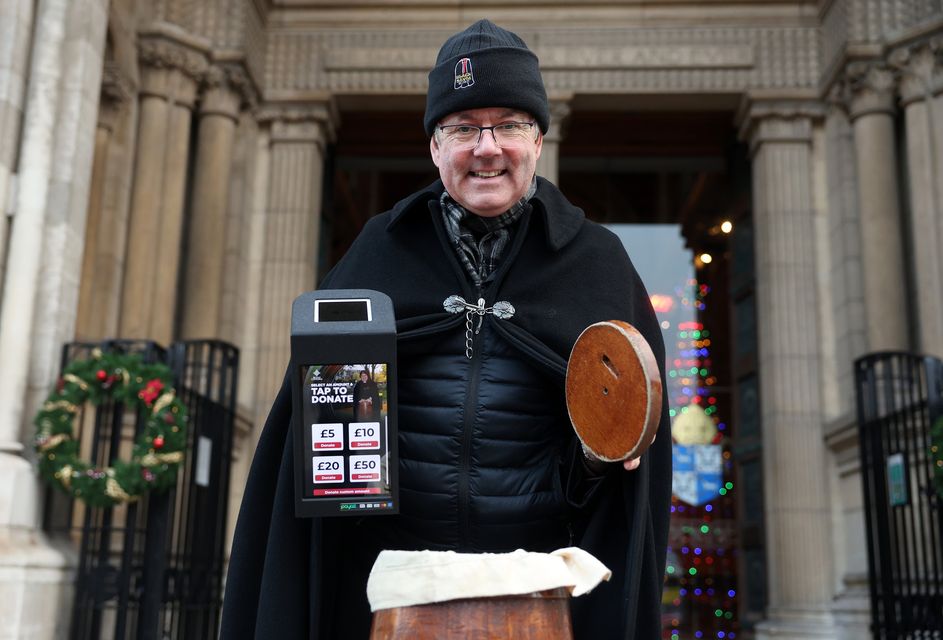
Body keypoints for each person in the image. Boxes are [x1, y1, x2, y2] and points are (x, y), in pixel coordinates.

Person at [221, 19, 671, 640]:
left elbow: (621, 450)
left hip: (536, 587)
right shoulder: (380, 249)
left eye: (509, 125)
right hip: (396, 585)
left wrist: (604, 452)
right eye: (463, 128)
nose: (487, 148)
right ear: (435, 147)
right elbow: (317, 419)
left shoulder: (596, 261)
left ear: (538, 139)